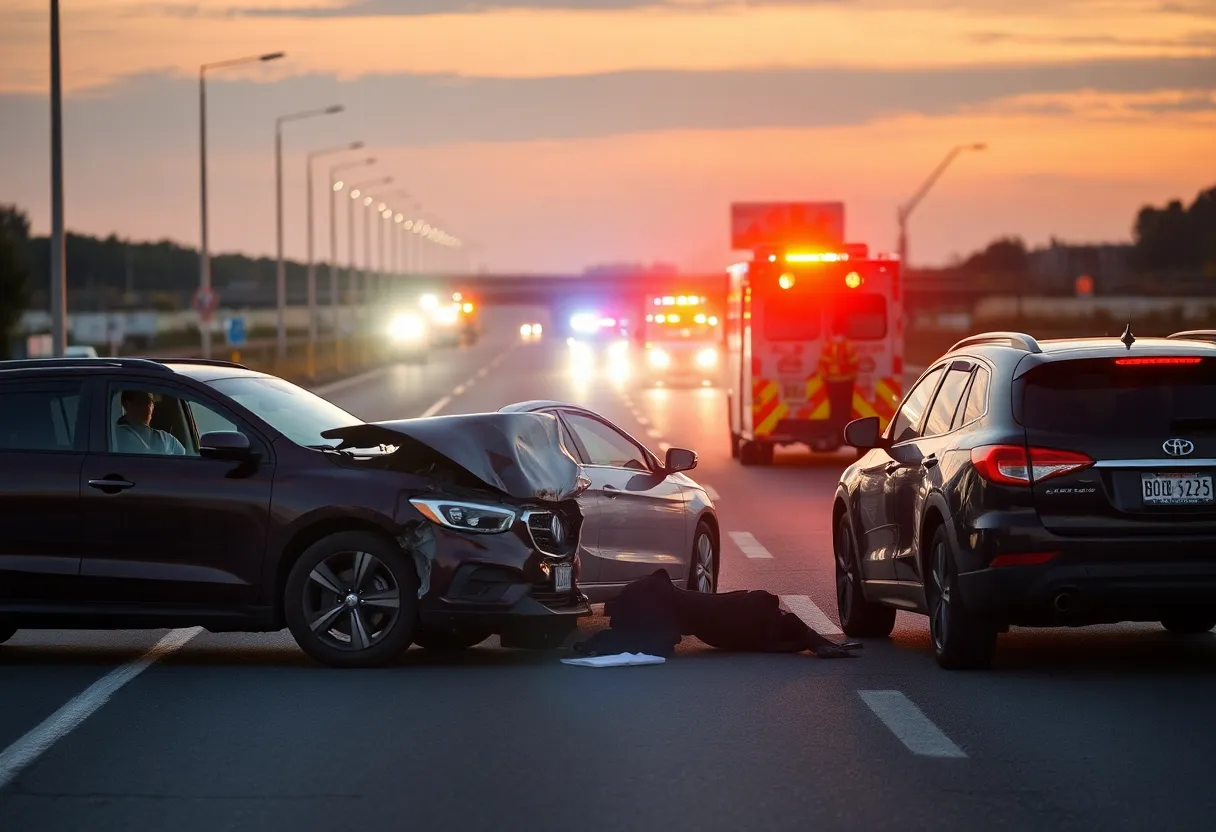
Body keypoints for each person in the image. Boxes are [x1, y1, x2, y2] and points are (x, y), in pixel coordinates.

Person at [818, 317, 860, 434]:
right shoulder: (849, 345)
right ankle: (845, 431)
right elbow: (855, 362)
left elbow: (822, 362)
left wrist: (824, 376)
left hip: (831, 382)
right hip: (846, 381)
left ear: (833, 330)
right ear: (844, 330)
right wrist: (853, 375)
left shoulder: (827, 346)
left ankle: (834, 430)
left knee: (834, 407)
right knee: (845, 408)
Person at [114, 390, 187, 456]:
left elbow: (183, 458)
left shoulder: (165, 438)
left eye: (152, 402)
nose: (150, 406)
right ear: (128, 404)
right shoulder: (116, 433)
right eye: (145, 400)